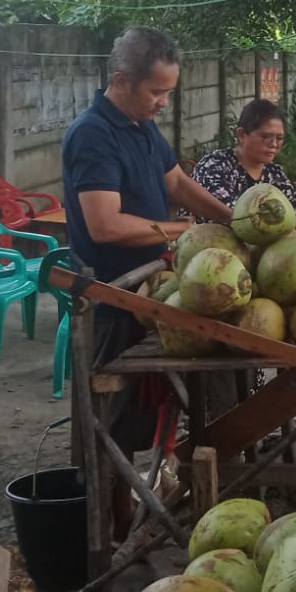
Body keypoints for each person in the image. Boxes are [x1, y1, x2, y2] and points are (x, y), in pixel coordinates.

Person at [62, 26, 233, 443]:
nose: (164, 102)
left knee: (157, 411)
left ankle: (160, 482)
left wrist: (234, 220)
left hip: (150, 289)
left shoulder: (142, 126)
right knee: (112, 429)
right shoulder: (93, 134)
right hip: (111, 301)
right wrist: (184, 230)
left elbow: (176, 183)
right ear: (122, 82)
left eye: (169, 92)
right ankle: (112, 506)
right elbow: (105, 225)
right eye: (157, 91)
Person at [192, 99, 296, 237]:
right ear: (242, 135)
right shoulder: (215, 166)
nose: (273, 144)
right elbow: (230, 218)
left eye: (279, 138)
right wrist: (291, 225)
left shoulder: (276, 175)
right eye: (266, 136)